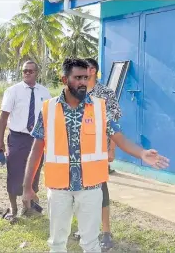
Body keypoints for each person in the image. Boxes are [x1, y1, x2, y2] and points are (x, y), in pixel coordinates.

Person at [22, 58, 170, 252]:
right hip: (59, 188)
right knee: (57, 242)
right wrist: (27, 186)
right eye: (78, 77)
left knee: (90, 243)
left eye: (86, 77)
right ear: (64, 79)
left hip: (90, 188)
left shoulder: (100, 108)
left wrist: (141, 153)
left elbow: (119, 137)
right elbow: (36, 149)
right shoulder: (49, 108)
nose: (83, 82)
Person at [72, 58, 122, 250]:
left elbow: (114, 124)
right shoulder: (76, 92)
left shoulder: (106, 93)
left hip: (98, 152)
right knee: (80, 191)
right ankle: (86, 228)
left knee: (101, 192)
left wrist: (112, 149)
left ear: (92, 71)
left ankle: (106, 232)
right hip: (78, 152)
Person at [0, 60, 51, 223]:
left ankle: (29, 206)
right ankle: (13, 209)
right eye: (25, 71)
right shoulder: (13, 91)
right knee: (14, 173)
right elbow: (3, 117)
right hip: (17, 138)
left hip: (37, 139)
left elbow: (49, 117)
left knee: (34, 173)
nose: (27, 73)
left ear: (36, 73)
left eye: (30, 71)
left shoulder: (45, 93)